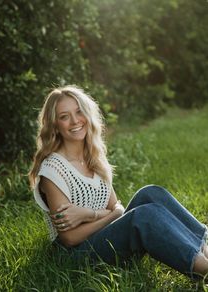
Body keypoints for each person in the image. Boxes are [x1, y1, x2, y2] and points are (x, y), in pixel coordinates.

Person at [29, 85, 208, 279]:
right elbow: (70, 238)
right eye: (64, 116)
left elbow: (117, 206)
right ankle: (203, 269)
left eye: (79, 111)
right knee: (144, 216)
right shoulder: (52, 170)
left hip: (104, 240)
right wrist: (107, 214)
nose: (75, 121)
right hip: (76, 259)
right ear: (55, 124)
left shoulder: (92, 156)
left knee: (150, 193)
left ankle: (205, 246)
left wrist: (89, 214)